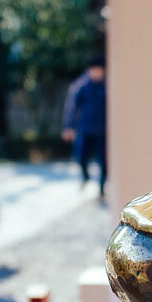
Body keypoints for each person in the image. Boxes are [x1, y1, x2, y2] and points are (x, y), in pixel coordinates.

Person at [62, 58, 107, 198]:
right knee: (80, 156)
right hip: (85, 129)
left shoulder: (106, 86)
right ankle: (86, 176)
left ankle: (101, 188)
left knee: (103, 161)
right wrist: (68, 126)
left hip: (102, 130)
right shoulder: (81, 86)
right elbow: (72, 107)